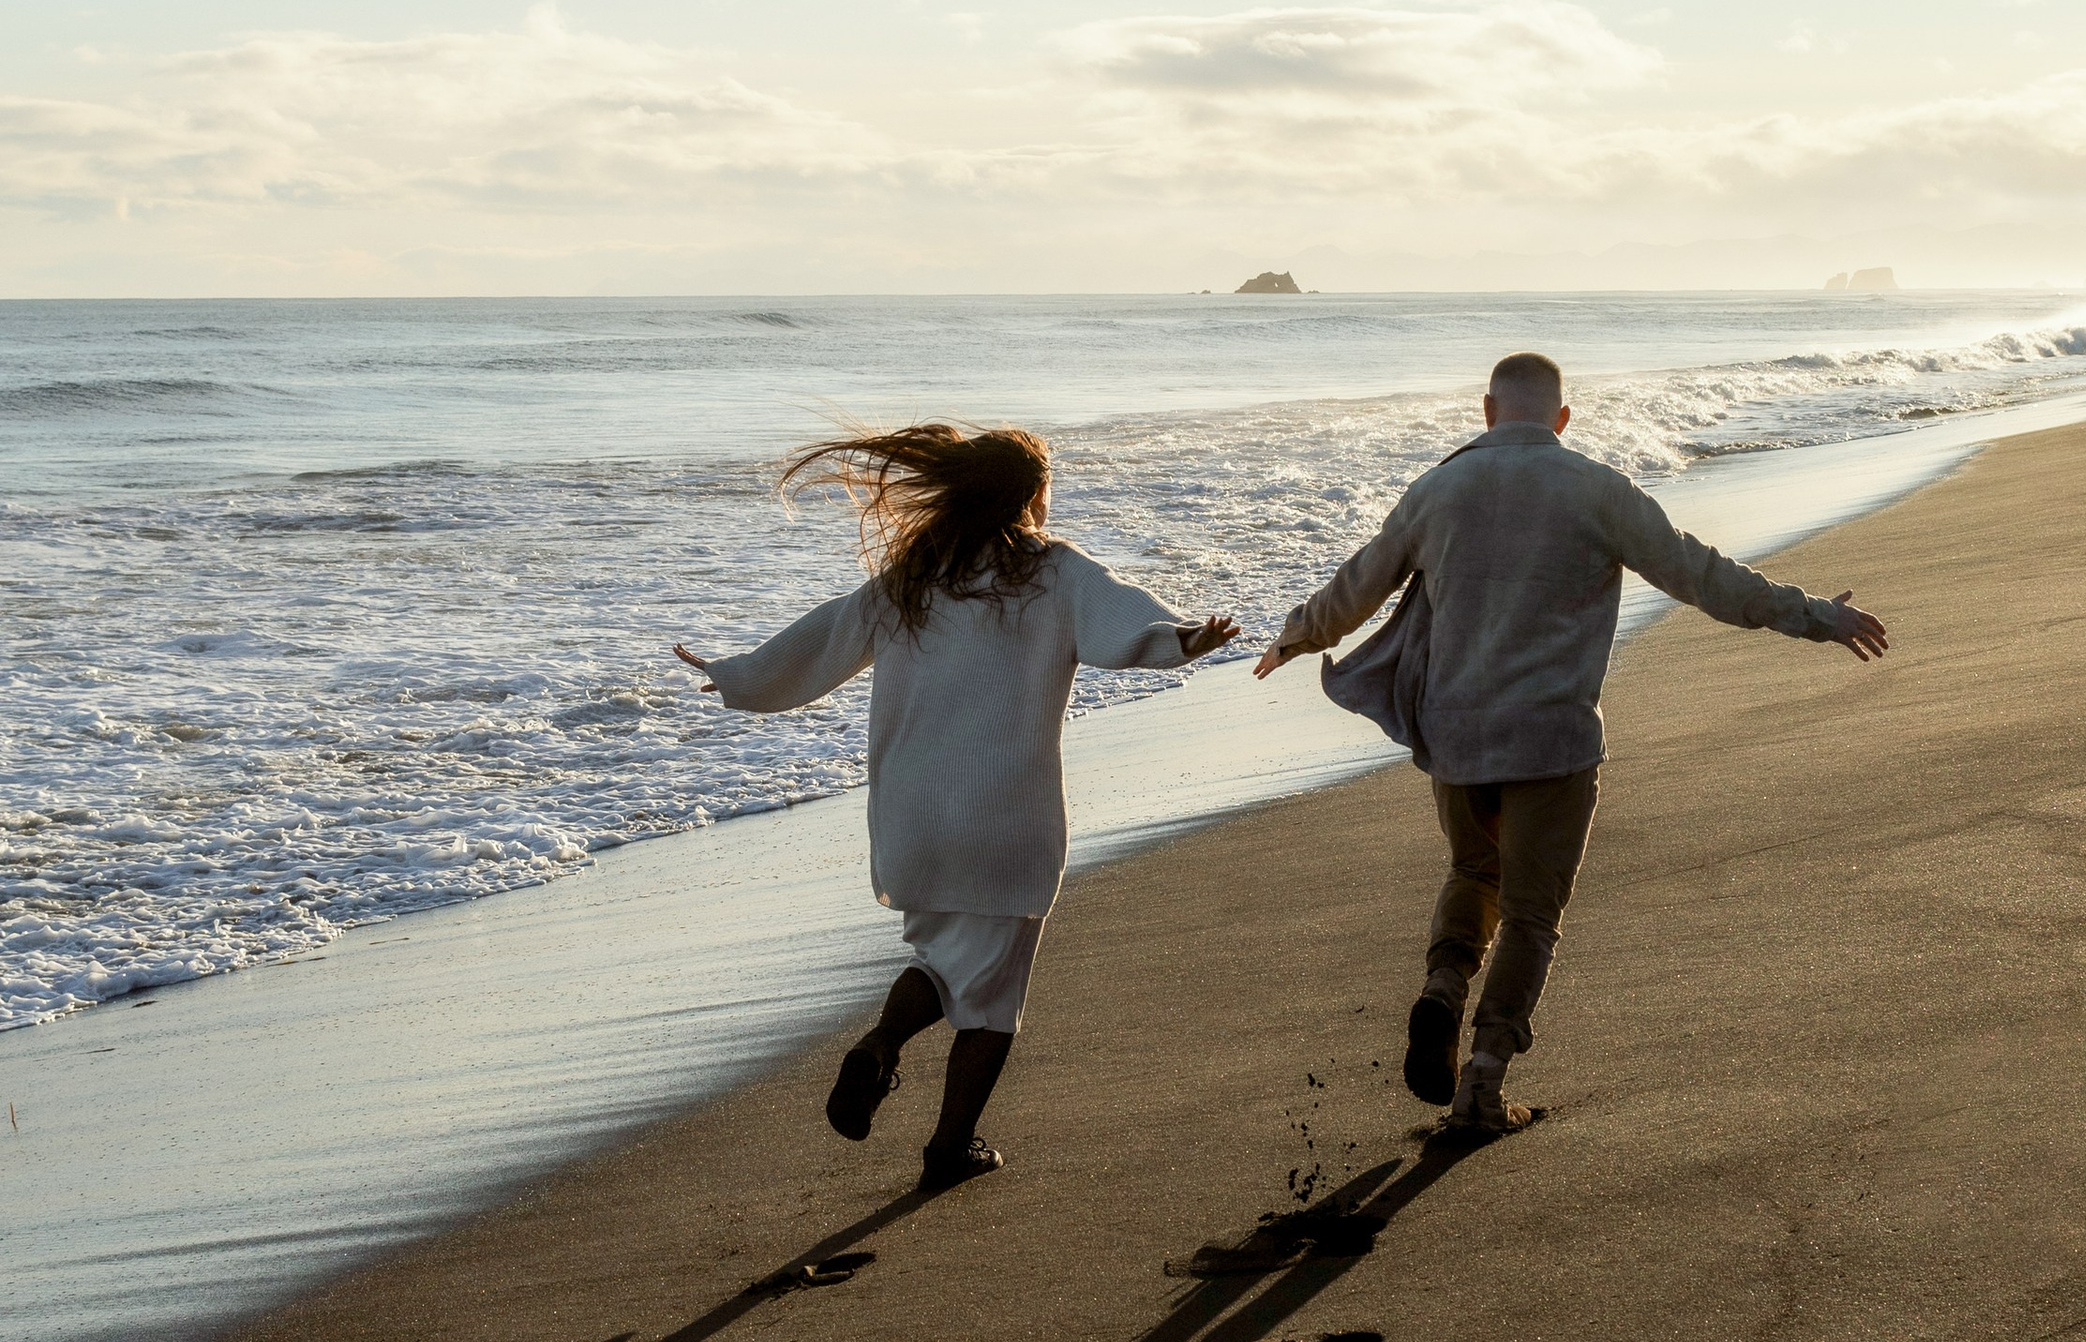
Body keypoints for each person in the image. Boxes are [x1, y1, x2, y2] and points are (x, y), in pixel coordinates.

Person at [1254, 350, 1888, 1136]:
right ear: (1561, 420)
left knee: (1471, 870)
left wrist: (1294, 637)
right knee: (1531, 913)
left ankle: (1444, 987)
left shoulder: (1436, 490)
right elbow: (1704, 576)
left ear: (1488, 412)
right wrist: (1816, 616)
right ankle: (1482, 1085)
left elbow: (1359, 584)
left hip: (1456, 735)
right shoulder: (1599, 491)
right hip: (1551, 741)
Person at [678, 424, 1236, 1189]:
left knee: (942, 959)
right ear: (1031, 496)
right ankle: (948, 1147)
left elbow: (820, 644)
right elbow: (1125, 628)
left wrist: (738, 677)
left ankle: (880, 1045)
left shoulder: (912, 577)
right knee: (993, 998)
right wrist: (1182, 638)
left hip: (914, 819)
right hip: (1004, 818)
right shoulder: (1054, 572)